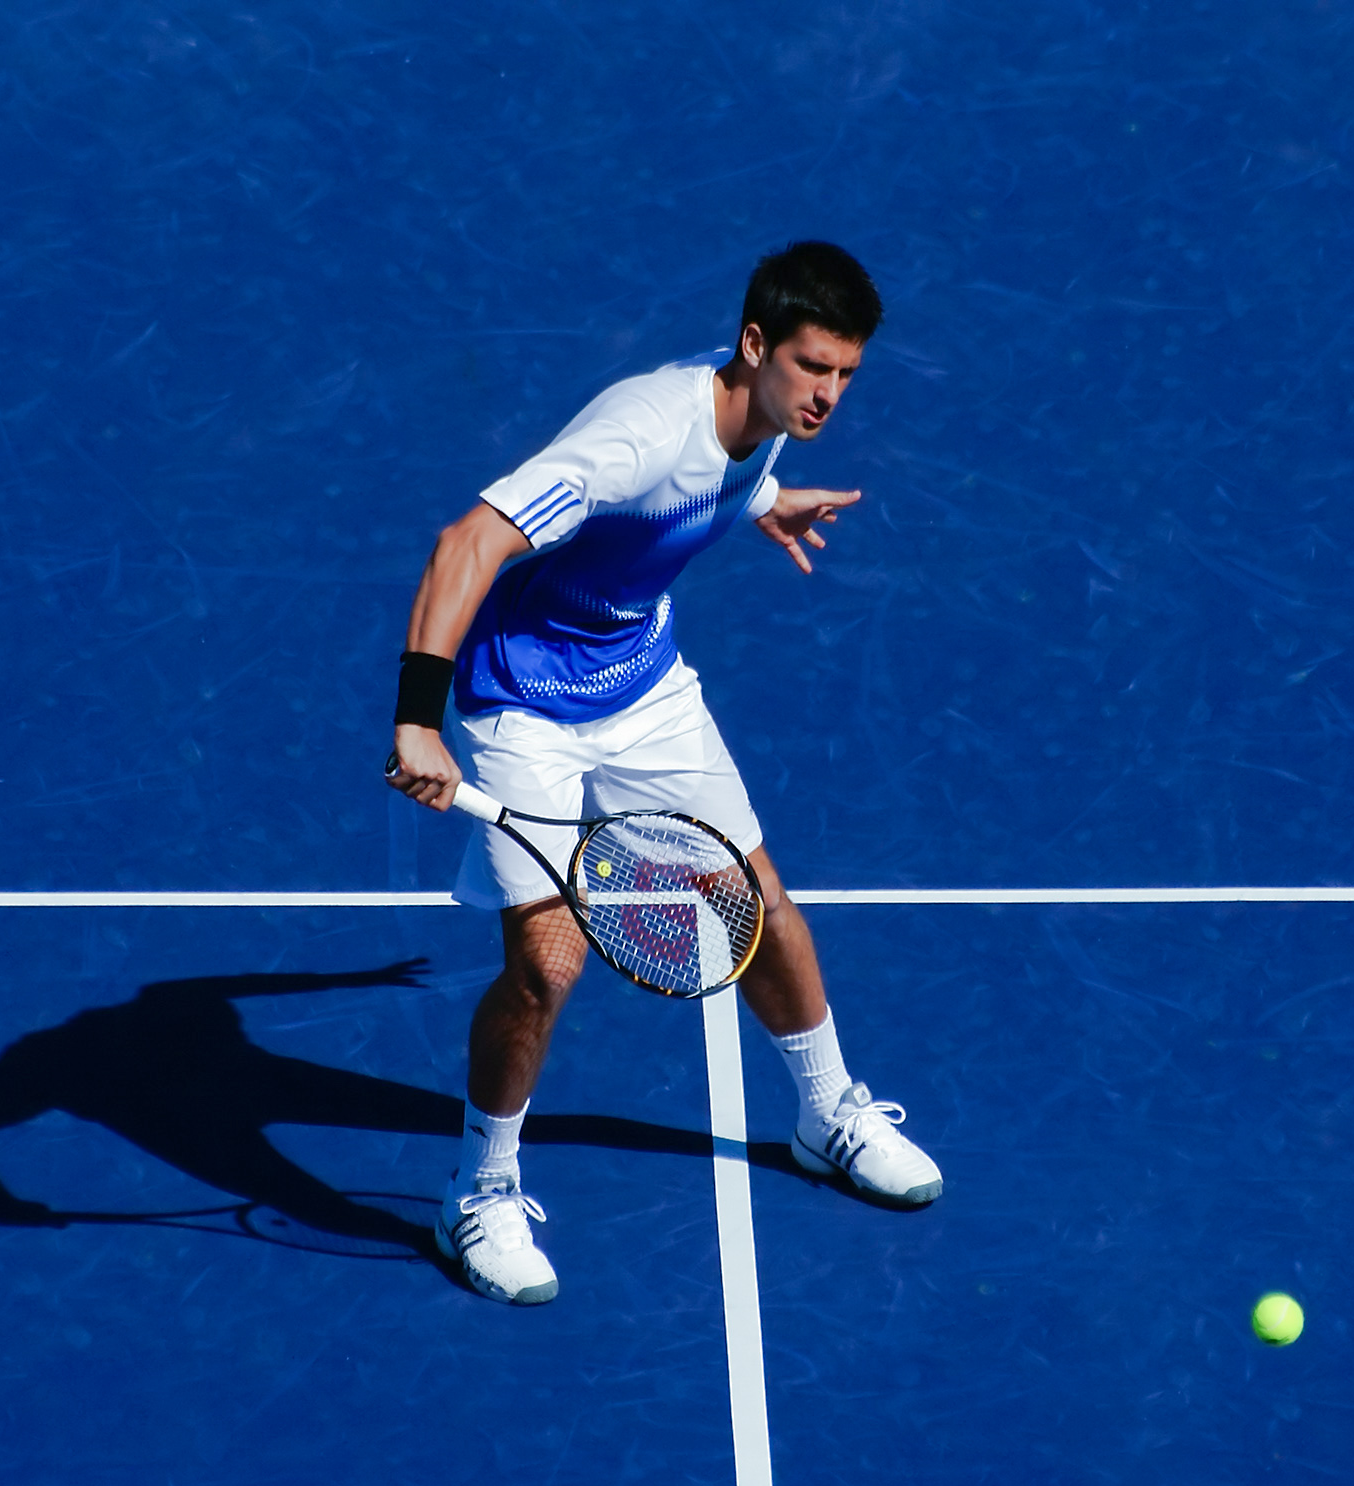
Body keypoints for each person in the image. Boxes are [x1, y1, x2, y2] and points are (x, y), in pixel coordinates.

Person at [387, 241, 942, 1306]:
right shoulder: (641, 433)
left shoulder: (755, 424)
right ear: (753, 346)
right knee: (547, 965)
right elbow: (467, 543)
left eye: (845, 374)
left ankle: (827, 1116)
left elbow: (716, 477)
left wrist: (760, 503)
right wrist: (419, 719)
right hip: (522, 705)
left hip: (641, 687)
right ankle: (479, 1193)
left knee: (757, 901)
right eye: (811, 368)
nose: (827, 394)